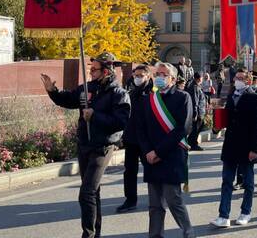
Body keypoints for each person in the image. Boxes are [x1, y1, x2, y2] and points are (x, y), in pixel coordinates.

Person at [41, 52, 130, 238]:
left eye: (94, 69)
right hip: (84, 144)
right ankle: (96, 232)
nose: (91, 72)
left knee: (86, 192)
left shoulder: (118, 93)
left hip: (103, 147)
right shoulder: (87, 88)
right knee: (93, 191)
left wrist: (95, 116)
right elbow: (69, 99)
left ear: (106, 71)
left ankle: (87, 234)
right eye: (90, 68)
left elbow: (121, 121)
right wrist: (52, 91)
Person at [136, 62, 194, 238]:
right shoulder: (148, 99)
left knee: (173, 199)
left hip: (171, 155)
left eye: (164, 74)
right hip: (151, 157)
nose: (159, 77)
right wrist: (148, 151)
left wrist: (159, 152)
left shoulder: (183, 97)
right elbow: (141, 129)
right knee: (155, 204)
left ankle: (188, 232)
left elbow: (182, 129)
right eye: (158, 74)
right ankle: (155, 235)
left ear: (173, 79)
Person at [210, 69, 257, 228]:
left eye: (241, 79)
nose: (237, 81)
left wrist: (254, 149)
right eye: (236, 78)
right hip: (230, 147)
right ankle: (223, 216)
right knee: (227, 181)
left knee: (248, 183)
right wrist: (217, 125)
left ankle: (245, 212)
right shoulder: (230, 97)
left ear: (248, 81)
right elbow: (226, 120)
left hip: (247, 147)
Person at [117, 65, 152, 214]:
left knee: (151, 171)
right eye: (135, 75)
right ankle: (130, 200)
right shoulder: (131, 92)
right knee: (129, 171)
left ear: (148, 76)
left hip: (147, 140)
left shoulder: (153, 93)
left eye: (140, 75)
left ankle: (155, 198)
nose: (137, 78)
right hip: (131, 139)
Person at [186, 72, 207, 151]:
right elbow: (195, 101)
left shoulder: (197, 86)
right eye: (201, 77)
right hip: (197, 112)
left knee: (199, 127)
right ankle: (193, 144)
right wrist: (195, 113)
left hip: (200, 111)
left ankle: (192, 143)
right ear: (198, 78)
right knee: (196, 129)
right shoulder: (194, 87)